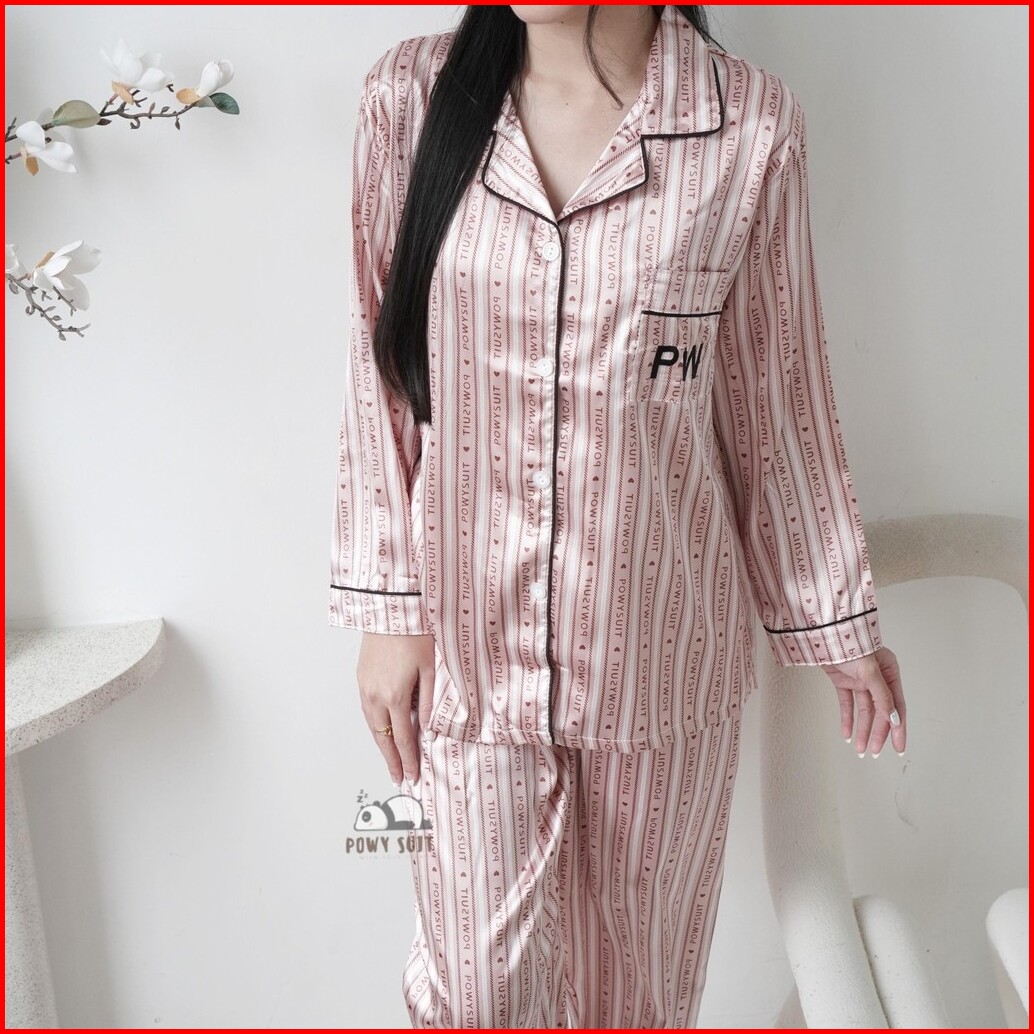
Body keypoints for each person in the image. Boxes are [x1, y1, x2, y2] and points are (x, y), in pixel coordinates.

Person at [328, 4, 907, 1028]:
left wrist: (832, 619)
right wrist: (390, 607)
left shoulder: (748, 126)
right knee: (475, 992)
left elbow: (774, 394)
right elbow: (378, 368)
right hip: (468, 653)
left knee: (638, 994)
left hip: (659, 648)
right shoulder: (408, 99)